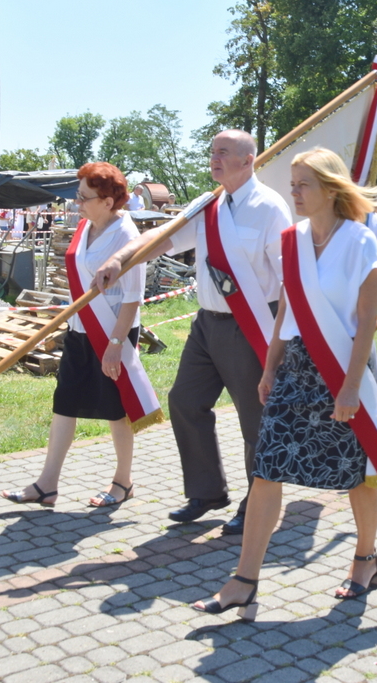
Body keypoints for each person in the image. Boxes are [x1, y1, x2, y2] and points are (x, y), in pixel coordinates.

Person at [191, 148, 377, 619]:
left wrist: (351, 387)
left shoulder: (360, 240)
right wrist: (271, 367)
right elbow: (286, 312)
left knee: (356, 475)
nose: (293, 192)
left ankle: (366, 560)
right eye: (292, 184)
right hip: (295, 368)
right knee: (266, 468)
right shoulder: (290, 240)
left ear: (330, 189)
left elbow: (365, 321)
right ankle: (244, 580)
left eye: (302, 184)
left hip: (343, 369)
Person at [95, 130, 292, 535]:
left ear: (248, 159)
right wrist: (121, 259)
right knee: (184, 400)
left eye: (223, 152)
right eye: (212, 152)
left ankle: (257, 503)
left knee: (254, 420)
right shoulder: (210, 205)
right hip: (207, 324)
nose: (214, 158)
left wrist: (281, 341)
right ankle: (206, 492)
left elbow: (291, 278)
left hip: (253, 324)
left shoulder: (270, 208)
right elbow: (161, 239)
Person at [1, 162, 159, 508]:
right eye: (77, 196)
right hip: (80, 332)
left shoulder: (127, 236)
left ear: (107, 200)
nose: (77, 204)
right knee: (64, 405)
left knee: (116, 411)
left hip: (113, 335)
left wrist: (116, 345)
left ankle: (123, 482)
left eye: (84, 198)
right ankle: (47, 485)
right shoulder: (86, 227)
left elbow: (132, 300)